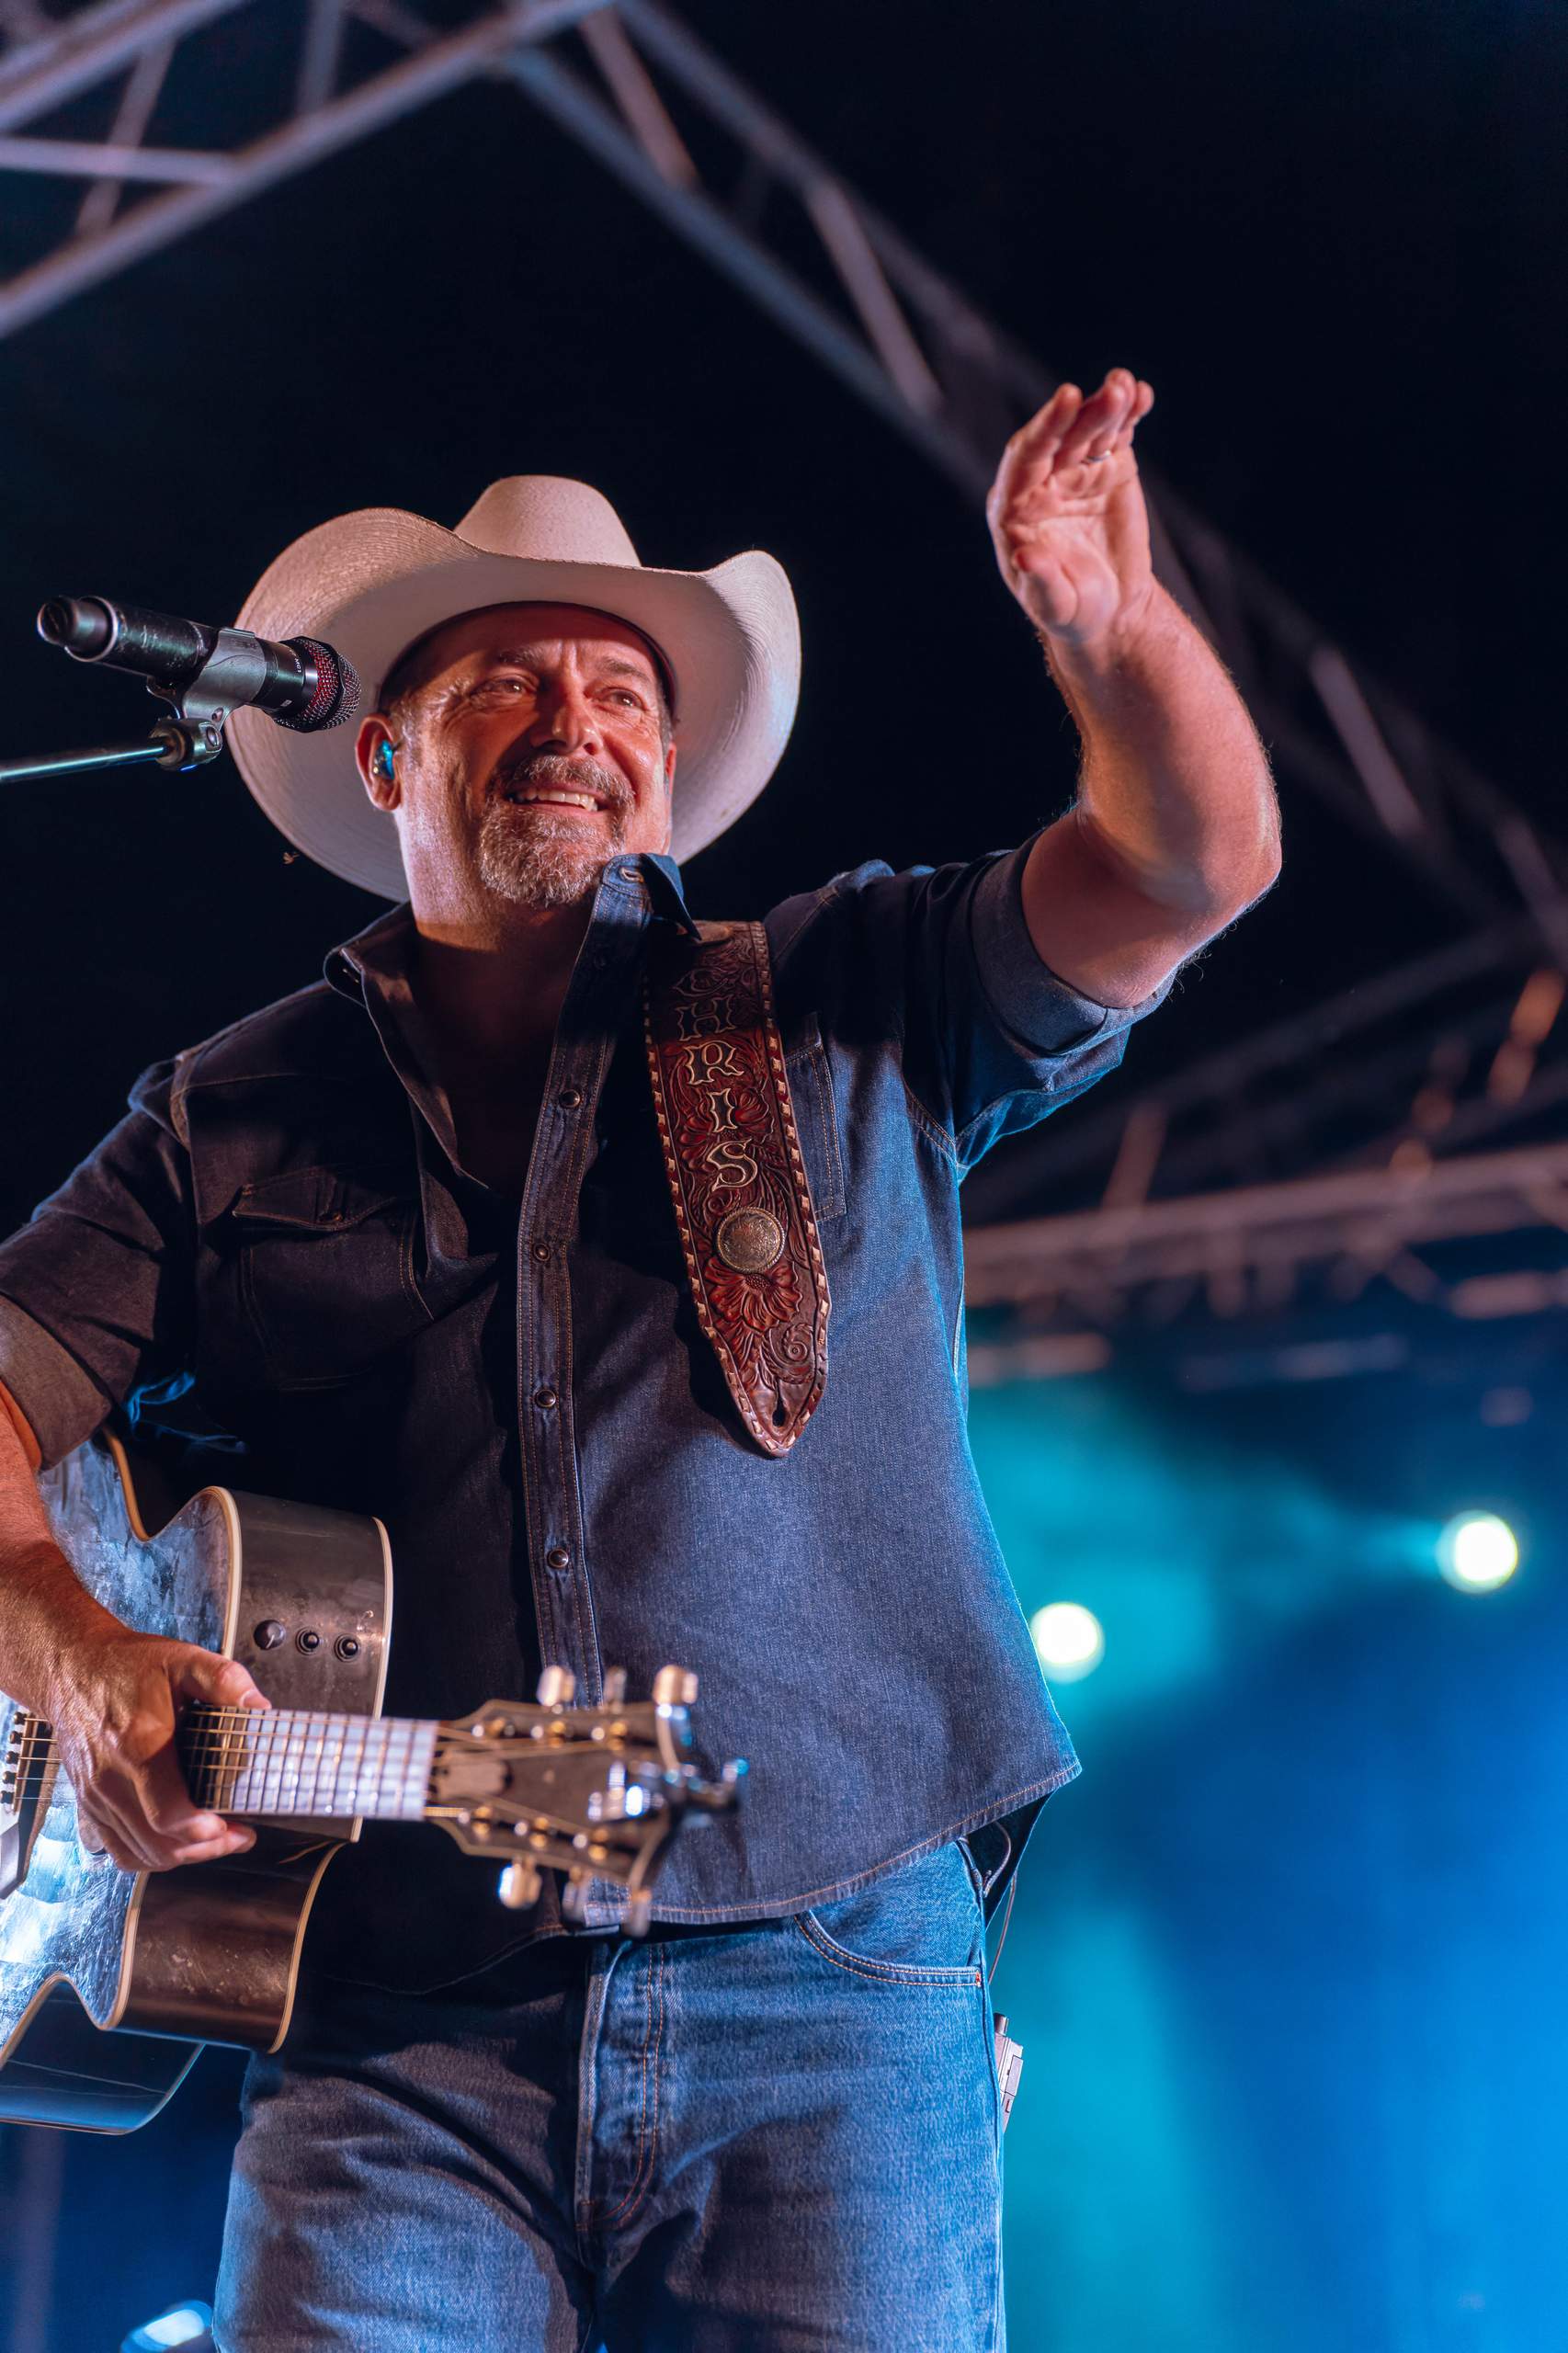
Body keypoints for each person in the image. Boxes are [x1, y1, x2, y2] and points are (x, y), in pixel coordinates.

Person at [0, 367, 1278, 2350]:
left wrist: (1111, 631)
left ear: (668, 775)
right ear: (385, 755)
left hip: (832, 1993)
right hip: (387, 2032)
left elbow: (1190, 867)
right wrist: (65, 1638)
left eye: (623, 699)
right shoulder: (226, 1114)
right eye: (514, 684)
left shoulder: (847, 993)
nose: (578, 727)